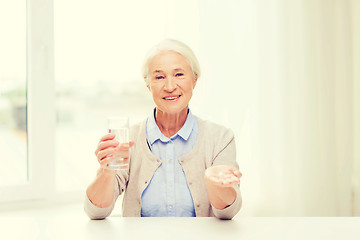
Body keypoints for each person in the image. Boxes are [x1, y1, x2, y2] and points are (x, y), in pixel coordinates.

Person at [84, 39, 242, 219]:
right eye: (159, 77)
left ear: (194, 80)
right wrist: (106, 171)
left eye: (179, 74)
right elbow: (96, 212)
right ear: (148, 84)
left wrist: (216, 185)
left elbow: (228, 211)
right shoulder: (129, 140)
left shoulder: (220, 138)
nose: (169, 86)